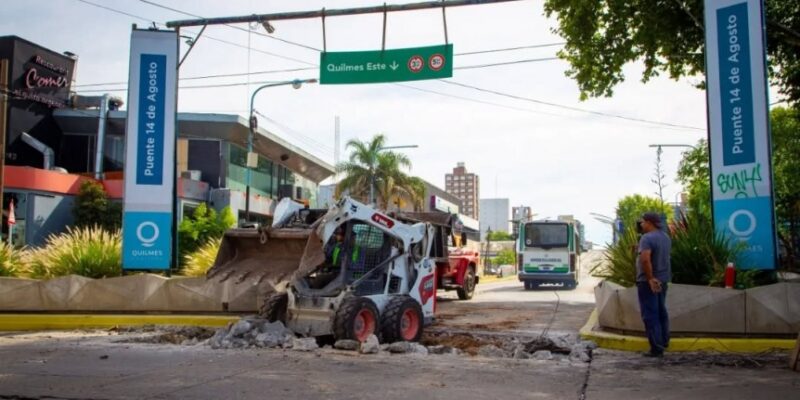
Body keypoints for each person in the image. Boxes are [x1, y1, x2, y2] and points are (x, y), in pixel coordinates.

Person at [636, 212, 672, 358]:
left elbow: (646, 260)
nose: (641, 224)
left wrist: (650, 278)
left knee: (650, 314)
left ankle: (656, 348)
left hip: (648, 282)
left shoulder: (647, 238)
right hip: (663, 280)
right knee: (661, 311)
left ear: (649, 223)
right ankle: (664, 341)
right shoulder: (665, 237)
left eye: (643, 222)